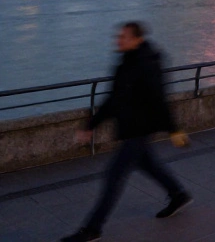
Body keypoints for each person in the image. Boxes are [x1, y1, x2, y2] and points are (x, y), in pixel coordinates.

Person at [61, 22, 192, 242]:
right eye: (118, 36)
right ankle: (179, 194)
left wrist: (174, 129)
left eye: (123, 37)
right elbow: (114, 98)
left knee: (113, 176)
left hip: (139, 129)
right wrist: (91, 125)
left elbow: (159, 99)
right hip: (130, 127)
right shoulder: (126, 61)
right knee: (148, 164)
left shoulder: (147, 62)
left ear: (137, 39)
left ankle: (92, 229)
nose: (118, 40)